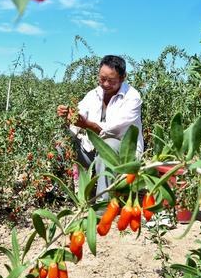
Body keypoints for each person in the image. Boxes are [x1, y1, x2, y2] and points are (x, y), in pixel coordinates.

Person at [57, 55, 143, 199]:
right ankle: (72, 192)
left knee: (107, 147)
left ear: (123, 78)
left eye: (111, 81)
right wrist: (68, 114)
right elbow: (79, 113)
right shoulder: (94, 94)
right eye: (102, 79)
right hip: (93, 151)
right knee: (62, 142)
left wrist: (85, 124)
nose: (105, 84)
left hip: (123, 155)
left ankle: (103, 206)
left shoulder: (132, 97)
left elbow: (113, 130)